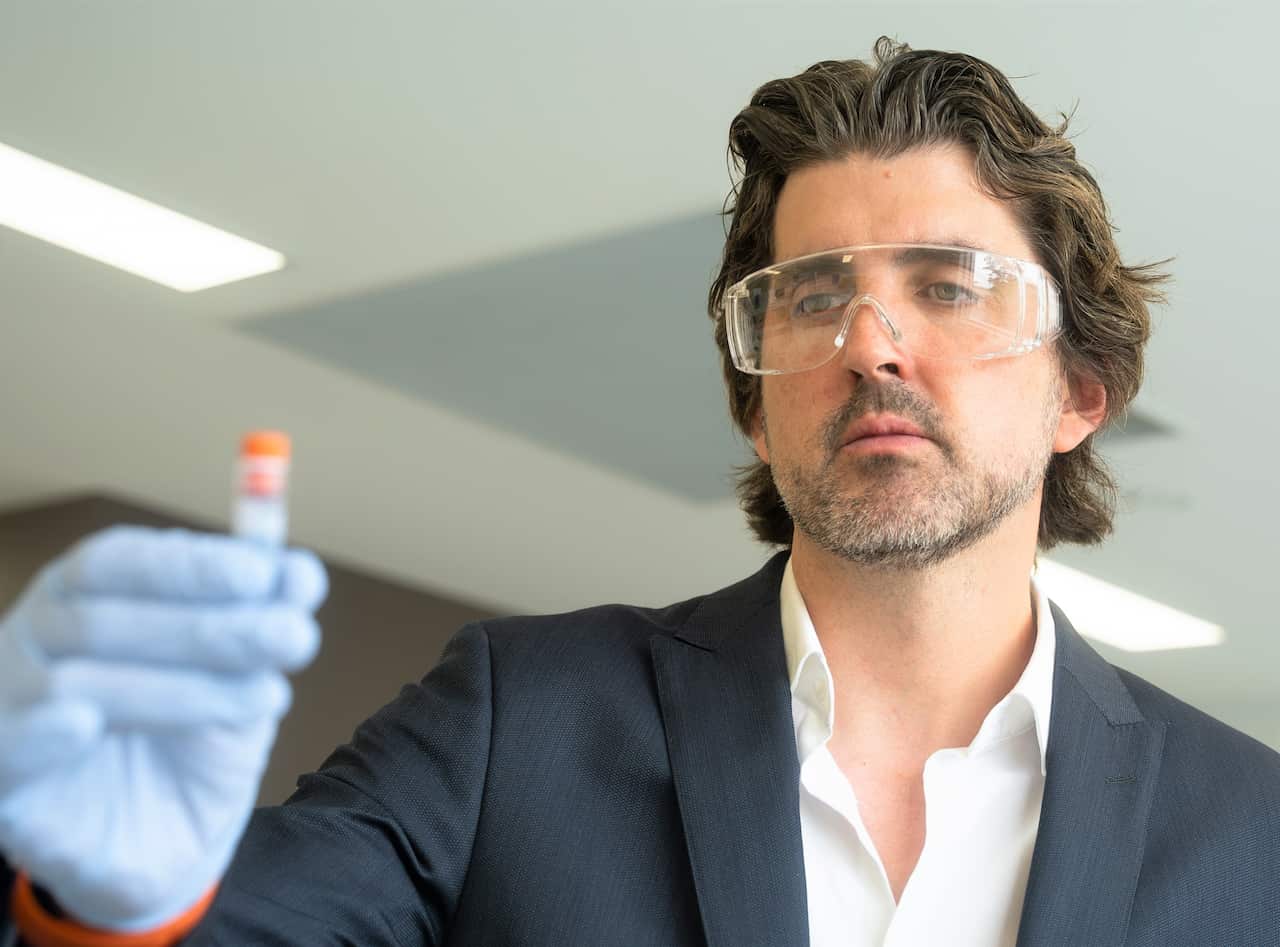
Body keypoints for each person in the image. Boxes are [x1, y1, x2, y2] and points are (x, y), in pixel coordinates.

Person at [1, 36, 1277, 947]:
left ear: (1079, 391)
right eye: (813, 296)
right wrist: (106, 913)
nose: (869, 344)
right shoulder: (515, 722)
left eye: (946, 286)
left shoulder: (1252, 831)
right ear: (754, 398)